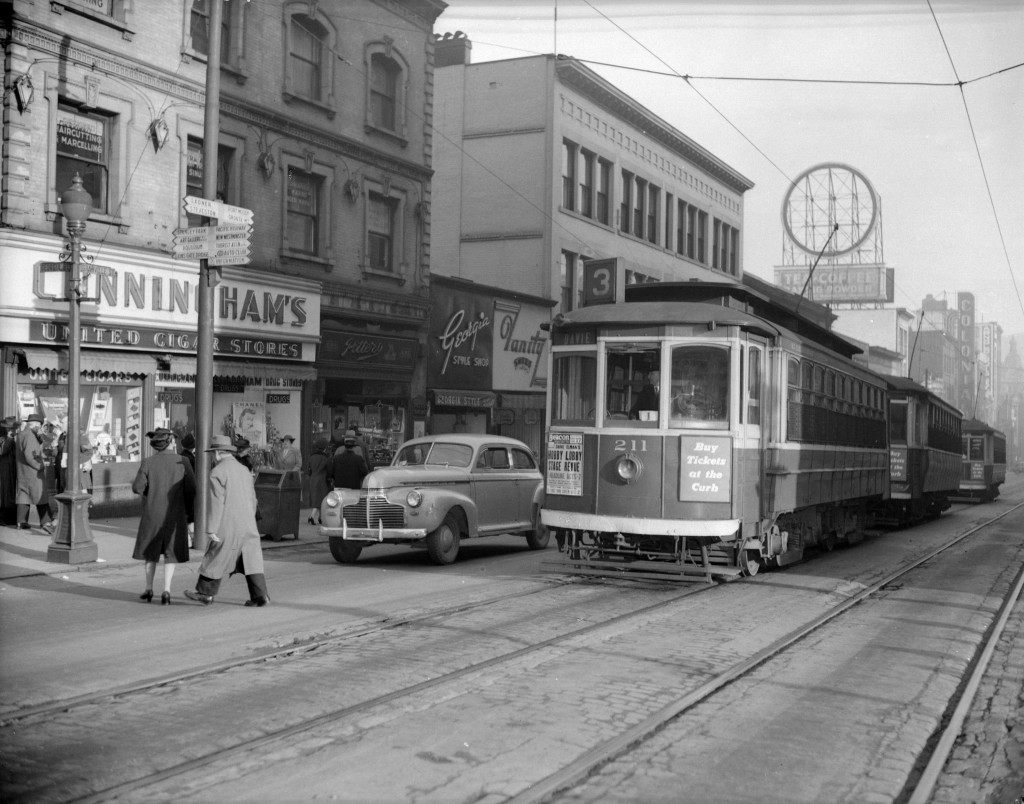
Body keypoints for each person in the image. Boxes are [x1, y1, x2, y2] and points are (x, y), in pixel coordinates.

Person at [185, 434, 270, 608]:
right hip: (247, 523)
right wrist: (249, 518)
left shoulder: (217, 472)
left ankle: (205, 594)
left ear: (217, 453)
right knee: (251, 559)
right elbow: (253, 500)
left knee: (215, 555)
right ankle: (261, 596)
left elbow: (217, 503)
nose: (212, 458)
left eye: (212, 454)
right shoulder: (244, 470)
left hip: (227, 523)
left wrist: (212, 528)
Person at [131, 429, 196, 605]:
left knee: (150, 553)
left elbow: (137, 487)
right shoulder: (183, 461)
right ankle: (166, 590)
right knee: (170, 553)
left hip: (152, 513)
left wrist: (149, 491)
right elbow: (192, 489)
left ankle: (149, 588)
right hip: (175, 514)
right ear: (171, 443)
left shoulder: (148, 462)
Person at [15, 413, 54, 533]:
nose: (41, 429)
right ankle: (46, 522)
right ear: (37, 425)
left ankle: (21, 522)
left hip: (23, 471)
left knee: (24, 496)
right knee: (40, 496)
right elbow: (31, 456)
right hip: (33, 473)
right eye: (41, 426)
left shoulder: (21, 434)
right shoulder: (30, 436)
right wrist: (41, 466)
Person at [305, 437, 330, 525]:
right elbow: (328, 470)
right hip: (322, 480)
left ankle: (320, 517)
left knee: (316, 498)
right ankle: (312, 516)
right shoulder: (326, 458)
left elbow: (308, 470)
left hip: (313, 479)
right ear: (324, 447)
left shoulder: (311, 457)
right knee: (321, 499)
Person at [0, 416, 18, 526]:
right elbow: (2, 452)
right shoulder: (6, 440)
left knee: (8, 492)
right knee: (5, 493)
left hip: (9, 469)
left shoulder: (9, 440)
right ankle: (3, 517)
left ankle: (8, 517)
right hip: (5, 469)